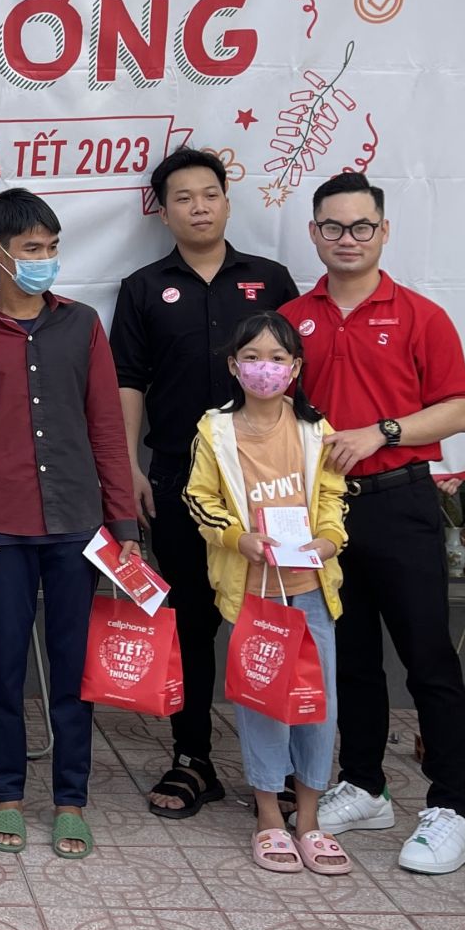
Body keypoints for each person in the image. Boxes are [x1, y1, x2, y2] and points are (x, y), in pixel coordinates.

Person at [0, 188, 139, 861]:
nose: (44, 259)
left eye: (52, 248)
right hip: (0, 530)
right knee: (3, 668)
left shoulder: (82, 325)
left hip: (78, 526)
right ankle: (7, 796)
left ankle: (71, 801)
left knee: (74, 669)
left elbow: (107, 430)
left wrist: (125, 529)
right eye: (31, 249)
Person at [293, 171, 465, 874]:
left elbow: (458, 410)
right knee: (351, 658)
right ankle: (365, 785)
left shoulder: (421, 315)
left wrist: (383, 431)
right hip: (324, 512)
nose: (348, 239)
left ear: (383, 231)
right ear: (314, 234)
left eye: (361, 226)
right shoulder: (292, 316)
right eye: (333, 227)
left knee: (428, 656)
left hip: (400, 502)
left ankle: (453, 807)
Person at [111, 147, 299, 819]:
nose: (199, 207)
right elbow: (128, 381)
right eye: (183, 198)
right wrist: (130, 466)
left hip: (268, 482)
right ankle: (193, 758)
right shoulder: (142, 288)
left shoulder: (271, 279)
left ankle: (277, 769)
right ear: (163, 213)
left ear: (227, 200)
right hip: (178, 478)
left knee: (271, 619)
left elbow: (300, 374)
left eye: (209, 194)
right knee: (190, 621)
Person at [186, 313, 350, 875]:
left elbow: (332, 495)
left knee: (316, 704)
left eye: (278, 359)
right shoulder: (215, 430)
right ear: (234, 367)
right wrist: (238, 538)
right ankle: (268, 815)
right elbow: (199, 498)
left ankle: (310, 818)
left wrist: (329, 539)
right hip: (253, 590)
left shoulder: (315, 430)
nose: (265, 369)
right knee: (262, 701)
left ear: (295, 368)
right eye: (253, 358)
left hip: (310, 588)